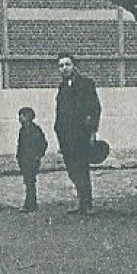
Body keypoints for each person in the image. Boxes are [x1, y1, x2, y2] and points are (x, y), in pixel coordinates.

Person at [54, 55, 102, 215]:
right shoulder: (62, 87)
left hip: (81, 134)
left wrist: (92, 131)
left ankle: (87, 204)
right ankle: (81, 202)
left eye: (67, 64)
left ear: (74, 65)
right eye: (61, 65)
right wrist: (58, 131)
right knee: (72, 170)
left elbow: (95, 108)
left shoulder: (86, 84)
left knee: (82, 168)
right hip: (66, 136)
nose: (64, 68)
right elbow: (60, 111)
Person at [16, 107, 48, 212]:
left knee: (30, 182)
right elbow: (20, 146)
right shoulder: (23, 130)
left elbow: (43, 143)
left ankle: (30, 204)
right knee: (28, 181)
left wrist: (38, 155)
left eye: (23, 115)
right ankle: (30, 202)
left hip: (32, 159)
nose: (20, 118)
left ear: (28, 117)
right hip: (24, 159)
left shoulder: (34, 130)